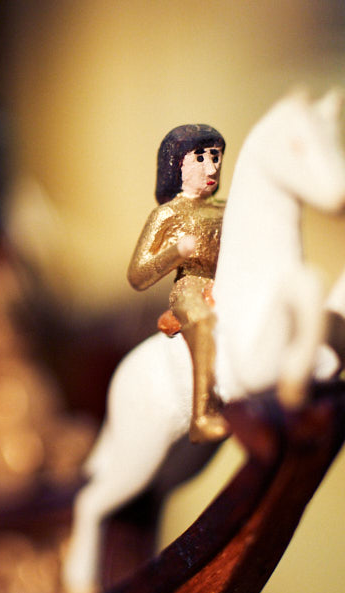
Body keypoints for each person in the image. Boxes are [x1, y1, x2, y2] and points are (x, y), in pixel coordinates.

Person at [127, 124, 229, 442]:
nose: (211, 168)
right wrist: (175, 253)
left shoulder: (227, 208)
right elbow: (137, 276)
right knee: (201, 319)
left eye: (215, 157)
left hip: (229, 280)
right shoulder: (167, 215)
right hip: (192, 285)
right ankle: (202, 414)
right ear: (177, 164)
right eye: (200, 158)